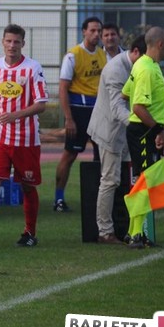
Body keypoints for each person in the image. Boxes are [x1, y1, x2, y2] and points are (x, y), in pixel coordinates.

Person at [0, 24, 48, 249]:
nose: (12, 46)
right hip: (0, 136)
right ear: (2, 42)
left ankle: (30, 233)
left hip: (26, 139)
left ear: (23, 44)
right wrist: (6, 117)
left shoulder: (33, 68)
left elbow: (41, 104)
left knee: (27, 186)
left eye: (16, 42)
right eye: (8, 41)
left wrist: (15, 115)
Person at [86, 35, 147, 245]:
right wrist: (140, 125)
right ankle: (105, 232)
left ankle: (128, 228)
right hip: (109, 132)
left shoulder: (139, 66)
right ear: (136, 52)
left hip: (126, 131)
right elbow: (116, 108)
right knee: (110, 180)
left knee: (129, 178)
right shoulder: (115, 70)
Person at [122, 26, 164, 249]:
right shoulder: (147, 69)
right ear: (160, 44)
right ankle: (135, 234)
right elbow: (138, 106)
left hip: (143, 130)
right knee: (144, 181)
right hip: (143, 131)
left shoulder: (145, 64)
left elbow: (126, 93)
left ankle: (133, 232)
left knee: (145, 181)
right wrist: (158, 130)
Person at [53, 16, 105, 212]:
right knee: (70, 154)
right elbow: (63, 88)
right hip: (79, 111)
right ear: (84, 32)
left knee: (102, 156)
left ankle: (100, 201)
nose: (96, 34)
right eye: (92, 30)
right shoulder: (73, 55)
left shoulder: (102, 54)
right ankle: (59, 199)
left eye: (98, 31)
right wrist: (69, 118)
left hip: (99, 111)